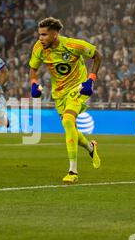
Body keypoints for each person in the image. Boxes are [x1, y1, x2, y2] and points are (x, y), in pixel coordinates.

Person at [29, 17, 101, 183]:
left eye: (44, 34)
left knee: (68, 121)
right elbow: (33, 69)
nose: (40, 38)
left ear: (55, 34)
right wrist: (34, 84)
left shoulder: (73, 45)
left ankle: (73, 171)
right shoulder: (39, 48)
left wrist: (90, 80)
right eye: (39, 34)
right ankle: (90, 147)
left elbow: (97, 56)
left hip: (78, 88)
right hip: (59, 94)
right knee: (71, 129)